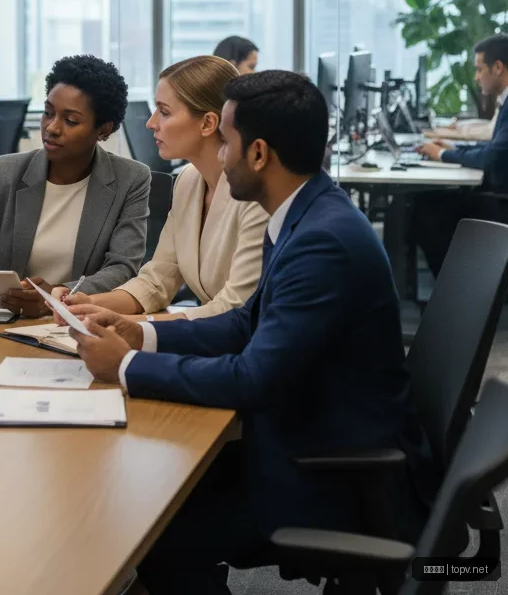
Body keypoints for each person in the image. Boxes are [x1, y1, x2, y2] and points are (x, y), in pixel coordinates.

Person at [69, 71, 432, 595]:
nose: (220, 156)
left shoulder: (321, 242)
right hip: (307, 432)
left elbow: (254, 379)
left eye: (228, 144)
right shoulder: (302, 213)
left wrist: (125, 367)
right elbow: (246, 322)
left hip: (329, 470)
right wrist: (141, 335)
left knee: (150, 531)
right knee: (145, 493)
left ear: (258, 153)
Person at [0, 54, 149, 316]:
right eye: (48, 113)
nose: (51, 128)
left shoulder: (130, 179)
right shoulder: (2, 172)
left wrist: (54, 296)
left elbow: (122, 268)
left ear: (104, 130)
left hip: (76, 324)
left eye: (71, 120)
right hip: (1, 324)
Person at [62, 55, 267, 320]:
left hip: (246, 347)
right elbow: (157, 279)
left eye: (165, 112)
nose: (151, 123)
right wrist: (90, 304)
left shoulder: (254, 194)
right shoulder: (189, 181)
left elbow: (236, 307)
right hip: (210, 341)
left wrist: (136, 326)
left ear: (207, 123)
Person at [415, 34, 508, 275]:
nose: (476, 77)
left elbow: (490, 158)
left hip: (499, 199)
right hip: (495, 192)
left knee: (422, 209)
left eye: (479, 69)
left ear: (497, 68)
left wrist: (443, 154)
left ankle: (456, 287)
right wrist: (452, 149)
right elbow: (493, 149)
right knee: (425, 202)